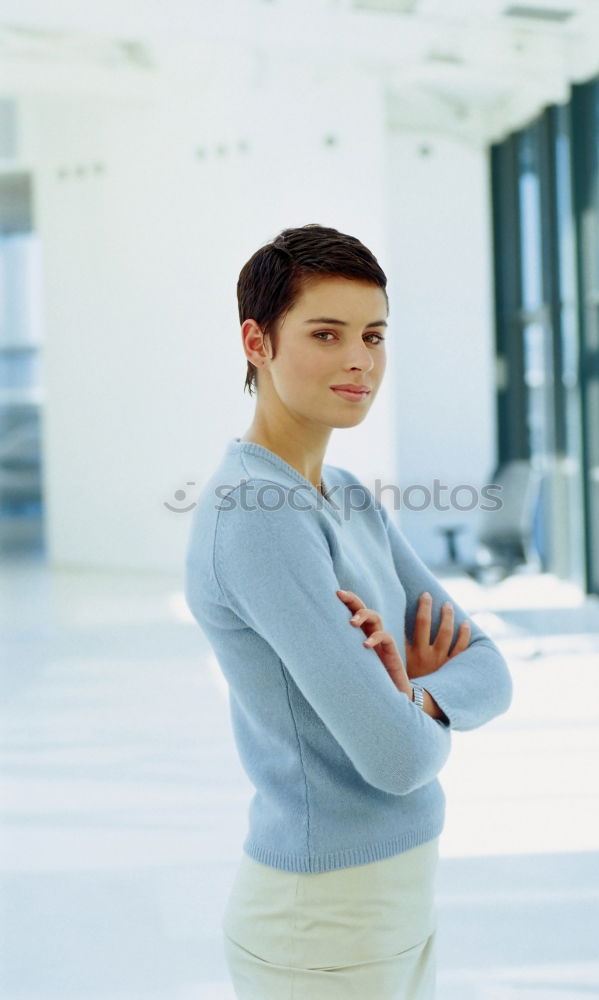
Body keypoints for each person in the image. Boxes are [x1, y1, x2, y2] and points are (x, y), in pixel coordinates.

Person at [184, 223, 513, 999]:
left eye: (373, 334)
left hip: (393, 898)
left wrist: (414, 699)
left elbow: (491, 668)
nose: (360, 359)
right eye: (326, 334)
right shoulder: (258, 515)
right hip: (324, 924)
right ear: (256, 342)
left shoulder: (348, 497)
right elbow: (396, 760)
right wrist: (412, 708)